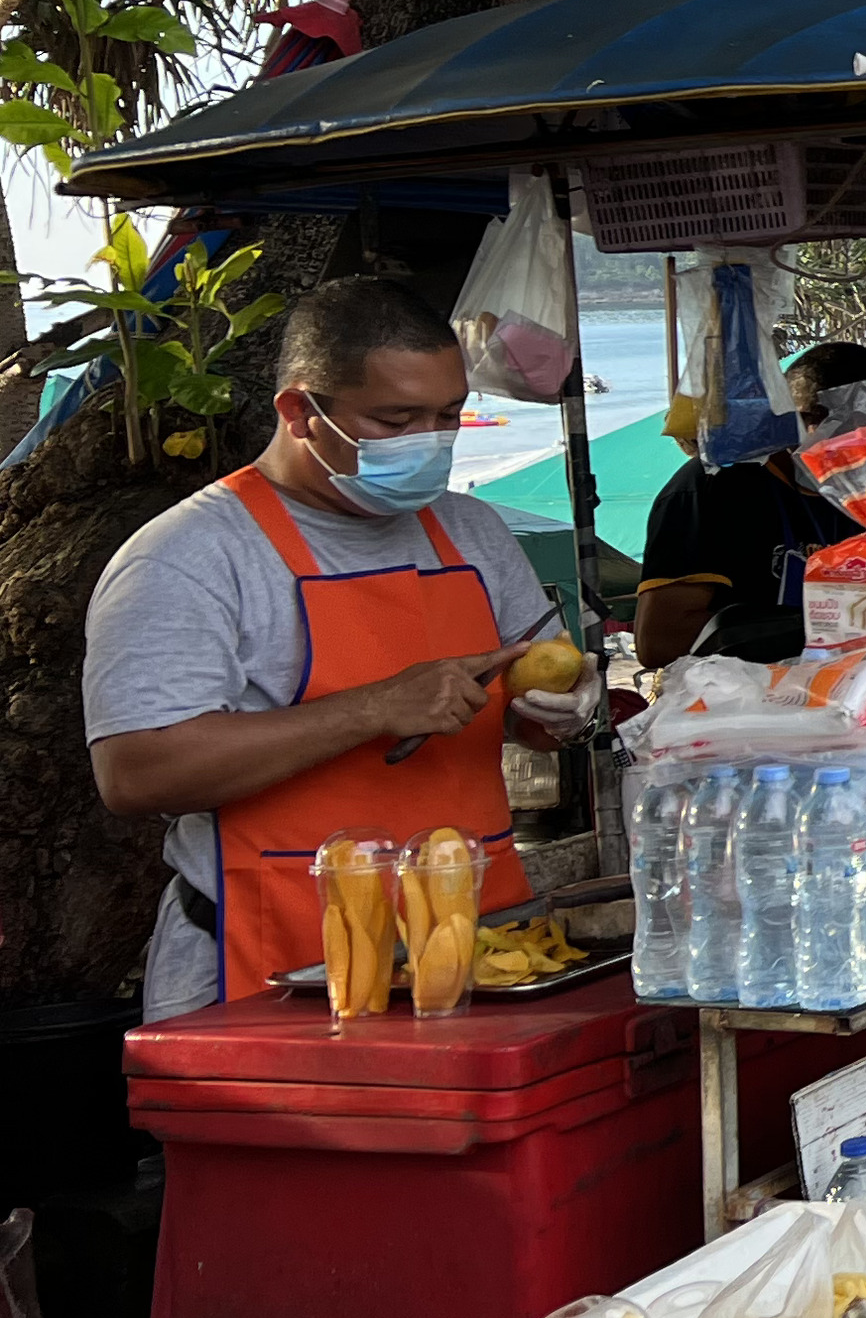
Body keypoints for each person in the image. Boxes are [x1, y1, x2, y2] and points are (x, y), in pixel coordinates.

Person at [86, 276, 593, 1017]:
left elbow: (529, 709)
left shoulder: (473, 531)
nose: (431, 443)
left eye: (448, 416)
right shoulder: (186, 558)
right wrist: (373, 708)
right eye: (396, 420)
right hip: (270, 966)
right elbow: (135, 774)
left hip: (477, 952)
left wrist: (557, 713)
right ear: (300, 412)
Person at [635, 341, 866, 662]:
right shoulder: (710, 489)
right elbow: (658, 642)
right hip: (733, 699)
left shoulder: (861, 499)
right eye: (850, 435)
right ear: (794, 421)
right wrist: (823, 624)